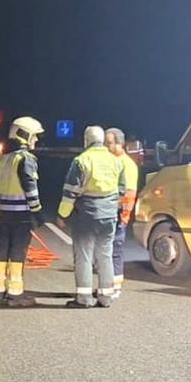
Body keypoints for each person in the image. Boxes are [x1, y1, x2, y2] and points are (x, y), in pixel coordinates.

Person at [58, 126, 125, 308]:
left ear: (86, 140)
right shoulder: (115, 161)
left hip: (86, 215)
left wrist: (62, 215)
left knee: (84, 256)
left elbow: (70, 192)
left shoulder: (81, 161)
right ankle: (106, 297)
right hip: (109, 216)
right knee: (105, 255)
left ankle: (84, 298)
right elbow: (121, 189)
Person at [0, 116, 44, 307]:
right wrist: (37, 211)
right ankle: (15, 293)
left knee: (1, 251)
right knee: (17, 252)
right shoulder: (25, 159)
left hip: (3, 213)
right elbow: (30, 186)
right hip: (21, 214)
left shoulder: (1, 159)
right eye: (34, 136)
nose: (36, 140)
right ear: (25, 134)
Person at [105, 128, 139, 296]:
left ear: (121, 143)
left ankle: (115, 287)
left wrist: (121, 216)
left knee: (115, 251)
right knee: (107, 251)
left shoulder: (127, 165)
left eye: (109, 143)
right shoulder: (112, 161)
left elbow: (128, 194)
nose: (106, 147)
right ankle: (108, 285)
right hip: (110, 213)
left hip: (118, 216)